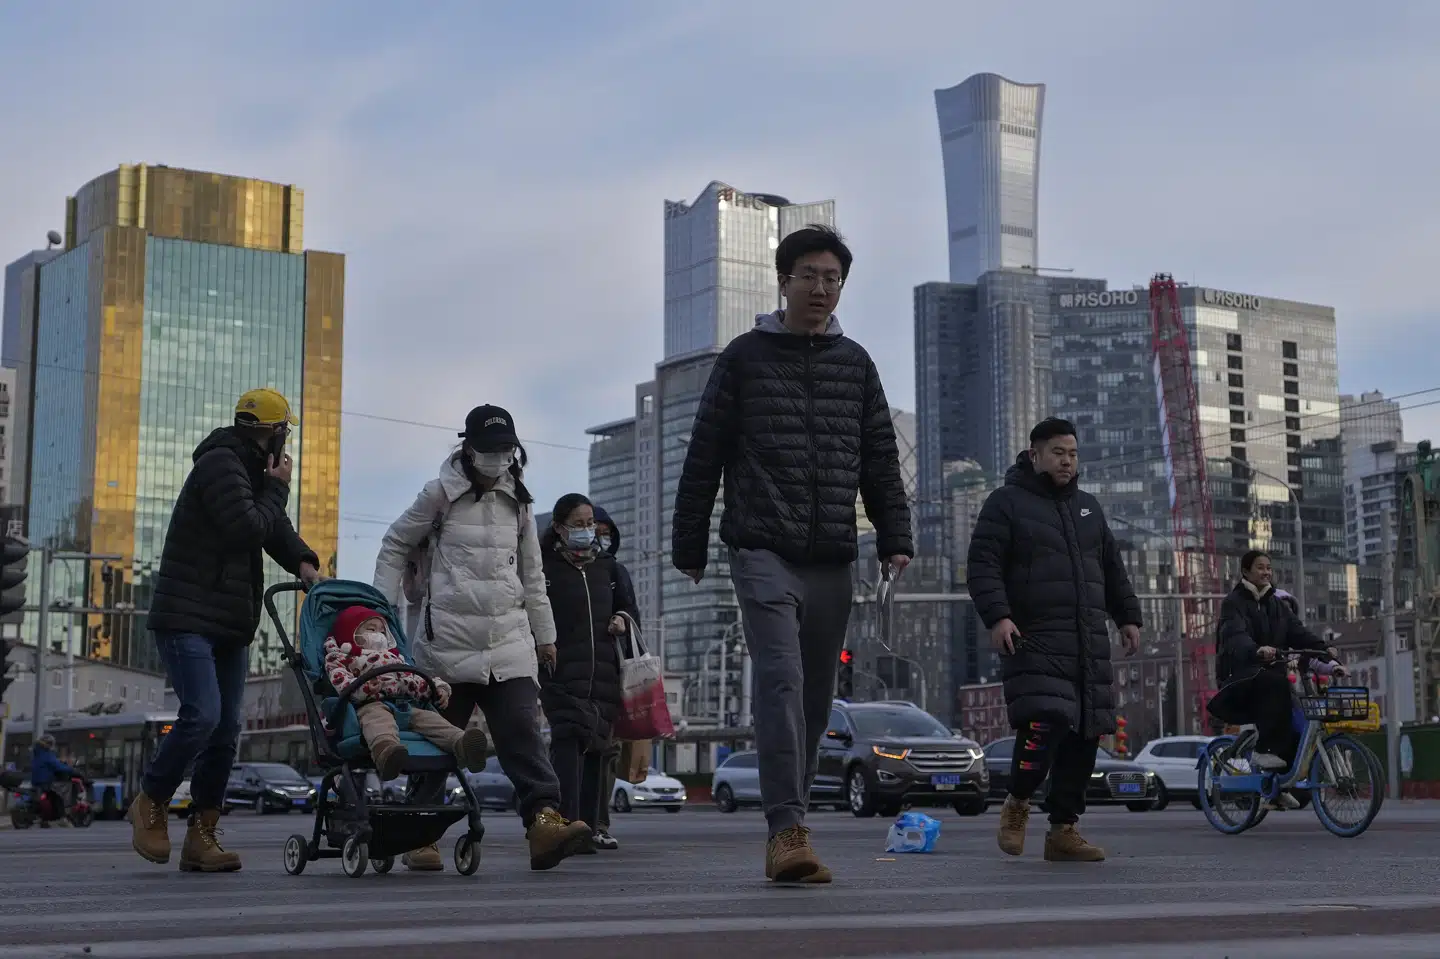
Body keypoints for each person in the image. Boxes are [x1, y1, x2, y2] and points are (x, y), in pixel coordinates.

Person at [671, 224, 913, 884]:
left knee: (813, 695)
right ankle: (787, 829)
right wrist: (688, 541)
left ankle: (795, 816)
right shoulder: (745, 357)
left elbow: (880, 458)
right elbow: (705, 453)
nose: (821, 288)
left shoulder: (856, 363)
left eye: (833, 278)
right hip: (760, 547)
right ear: (784, 281)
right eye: (809, 275)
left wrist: (895, 536)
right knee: (779, 680)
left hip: (832, 554)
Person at [373, 404, 590, 872]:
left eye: (506, 450)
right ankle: (420, 835)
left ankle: (544, 822)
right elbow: (394, 543)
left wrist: (545, 637)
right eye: (490, 451)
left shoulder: (520, 501)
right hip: (447, 648)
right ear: (468, 449)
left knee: (522, 734)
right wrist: (381, 611)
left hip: (508, 644)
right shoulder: (439, 495)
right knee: (437, 745)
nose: (499, 459)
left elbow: (533, 575)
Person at [132, 388, 322, 872]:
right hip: (187, 614)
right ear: (271, 431)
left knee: (227, 728)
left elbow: (269, 525)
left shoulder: (249, 472)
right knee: (203, 714)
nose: (287, 439)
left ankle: (202, 834)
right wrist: (279, 486)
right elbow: (246, 526)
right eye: (285, 430)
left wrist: (303, 562)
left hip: (228, 621)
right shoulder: (220, 463)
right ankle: (151, 801)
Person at [966, 417, 1142, 863]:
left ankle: (1064, 830)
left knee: (1086, 735)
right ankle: (1018, 802)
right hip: (1034, 637)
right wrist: (999, 617)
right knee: (1044, 723)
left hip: (1087, 642)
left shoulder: (1089, 508)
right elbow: (982, 565)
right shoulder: (1005, 503)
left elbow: (1112, 569)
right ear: (1035, 454)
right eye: (1059, 453)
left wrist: (1128, 617)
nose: (1067, 461)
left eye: (1073, 454)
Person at [539, 494, 626, 849]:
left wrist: (622, 618)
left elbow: (628, 608)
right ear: (559, 528)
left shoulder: (606, 568)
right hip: (559, 669)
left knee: (597, 747)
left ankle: (588, 828)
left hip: (603, 671)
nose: (586, 531)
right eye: (578, 524)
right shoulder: (544, 569)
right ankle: (565, 824)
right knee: (568, 740)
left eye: (589, 523)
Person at [1208, 551, 1338, 784]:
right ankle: (1263, 751)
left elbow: (1298, 631)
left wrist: (1324, 649)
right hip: (1239, 675)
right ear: (1246, 571)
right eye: (1260, 567)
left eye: (1269, 567)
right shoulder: (1233, 603)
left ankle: (1278, 784)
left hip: (1268, 676)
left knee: (1293, 707)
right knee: (1277, 683)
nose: (1266, 572)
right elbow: (1235, 635)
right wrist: (1255, 650)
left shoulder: (1277, 605)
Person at [322, 605, 489, 780]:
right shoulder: (341, 658)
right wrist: (362, 688)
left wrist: (437, 688)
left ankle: (462, 744)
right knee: (378, 720)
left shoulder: (396, 658)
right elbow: (341, 682)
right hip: (369, 704)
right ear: (350, 634)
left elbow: (415, 676)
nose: (378, 635)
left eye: (382, 631)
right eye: (371, 629)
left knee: (432, 720)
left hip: (405, 705)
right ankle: (386, 753)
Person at [592, 506, 640, 851]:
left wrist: (622, 619)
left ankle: (599, 822)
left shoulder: (615, 571)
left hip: (612, 673)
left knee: (607, 749)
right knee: (574, 745)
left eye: (603, 530)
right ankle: (565, 818)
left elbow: (632, 615)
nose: (596, 535)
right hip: (570, 674)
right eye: (590, 527)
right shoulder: (555, 572)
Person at [30, 734, 77, 824]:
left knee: (51, 796)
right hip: (44, 782)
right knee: (57, 796)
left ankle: (46, 819)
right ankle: (61, 818)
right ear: (46, 744)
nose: (51, 746)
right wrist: (70, 769)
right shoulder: (46, 754)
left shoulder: (37, 752)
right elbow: (57, 766)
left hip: (37, 781)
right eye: (50, 744)